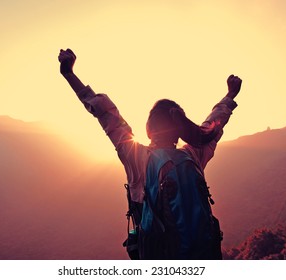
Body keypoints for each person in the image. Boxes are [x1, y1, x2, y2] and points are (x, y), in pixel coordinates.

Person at [58, 48, 242, 259]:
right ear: (181, 129)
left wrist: (69, 75)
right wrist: (229, 96)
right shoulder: (194, 154)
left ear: (149, 127)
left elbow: (106, 114)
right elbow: (212, 126)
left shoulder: (137, 157)